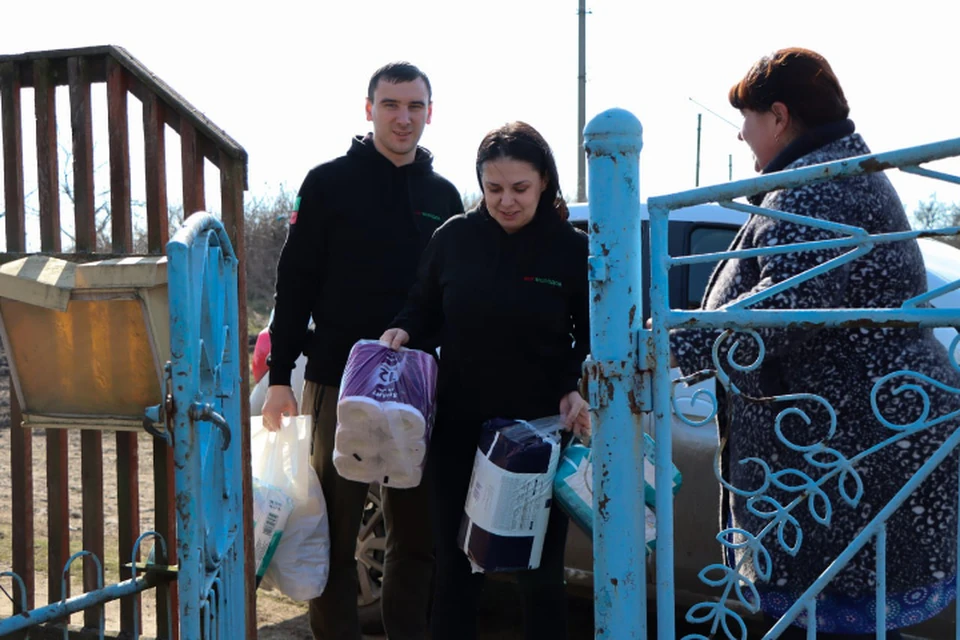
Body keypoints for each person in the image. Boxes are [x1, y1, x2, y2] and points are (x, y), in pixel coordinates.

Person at [668, 48, 960, 638]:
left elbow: (783, 307)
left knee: (827, 624)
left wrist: (680, 345)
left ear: (778, 117)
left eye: (747, 119)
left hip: (842, 456)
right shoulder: (833, 174)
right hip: (845, 447)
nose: (745, 135)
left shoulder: (817, 188)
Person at [261, 61, 464, 640]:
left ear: (430, 112)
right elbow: (294, 281)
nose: (404, 118)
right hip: (336, 378)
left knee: (416, 537)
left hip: (419, 390)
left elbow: (452, 296)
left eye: (415, 106)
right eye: (391, 105)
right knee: (335, 532)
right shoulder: (328, 183)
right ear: (368, 108)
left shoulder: (443, 194)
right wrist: (280, 378)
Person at [380, 121, 591, 640]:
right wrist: (403, 330)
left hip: (539, 433)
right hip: (459, 427)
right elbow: (423, 306)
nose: (506, 201)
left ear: (545, 181)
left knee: (537, 574)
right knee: (455, 570)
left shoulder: (572, 249)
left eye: (520, 188)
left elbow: (588, 336)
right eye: (493, 189)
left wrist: (574, 384)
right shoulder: (453, 238)